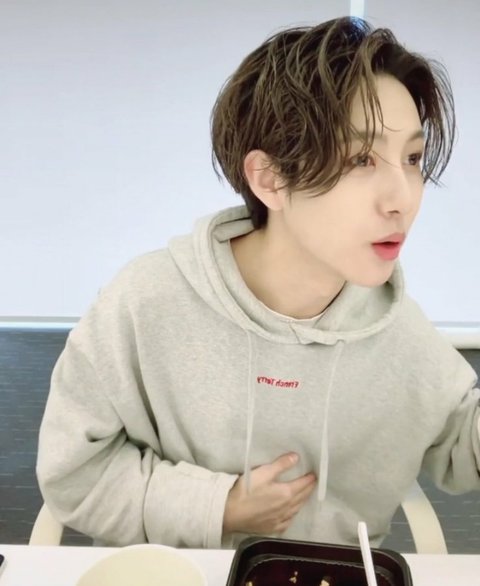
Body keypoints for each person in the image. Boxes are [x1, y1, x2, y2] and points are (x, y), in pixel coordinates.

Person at [36, 16, 480, 549]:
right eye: (361, 158)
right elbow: (74, 472)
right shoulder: (144, 304)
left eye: (411, 158)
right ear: (270, 179)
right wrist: (218, 506)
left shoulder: (396, 329)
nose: (403, 198)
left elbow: (462, 442)